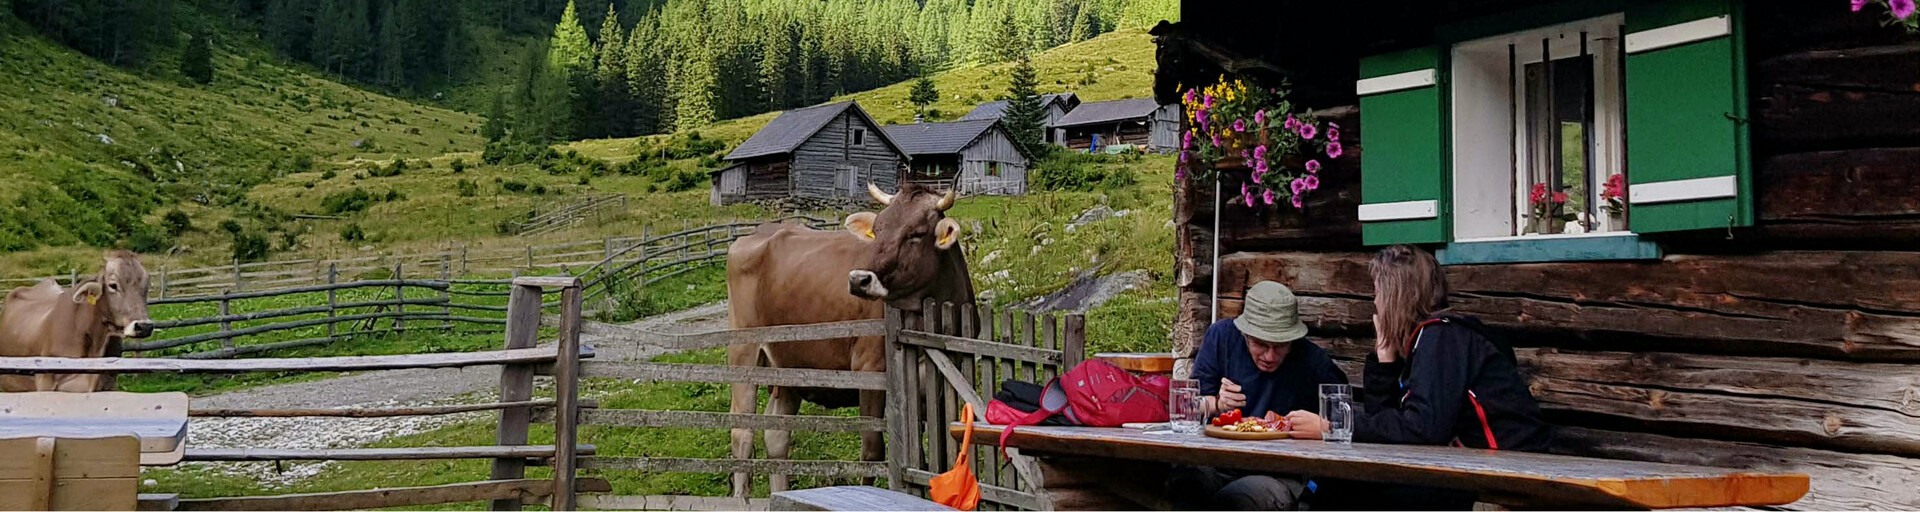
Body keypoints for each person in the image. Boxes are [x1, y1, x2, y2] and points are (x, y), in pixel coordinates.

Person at [1285, 245, 1552, 509]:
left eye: (1378, 292)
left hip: (1504, 474)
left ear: (1395, 297)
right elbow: (1389, 436)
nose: (1375, 302)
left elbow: (1423, 427)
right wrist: (1385, 361)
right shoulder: (1424, 340)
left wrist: (1333, 427)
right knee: (1338, 484)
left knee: (1347, 493)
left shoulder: (1442, 338)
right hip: (1469, 468)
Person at [1167, 281, 1347, 511]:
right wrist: (1216, 404)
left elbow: (1345, 419)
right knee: (1186, 483)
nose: (1270, 356)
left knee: (1236, 501)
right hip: (1218, 461)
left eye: (1280, 346)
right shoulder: (1222, 337)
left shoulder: (1312, 361)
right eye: (1261, 344)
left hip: (1278, 473)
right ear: (1245, 334)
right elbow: (1186, 406)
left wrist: (1322, 427)